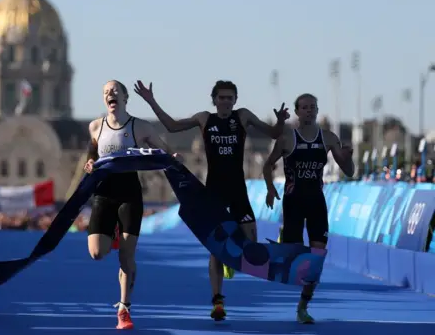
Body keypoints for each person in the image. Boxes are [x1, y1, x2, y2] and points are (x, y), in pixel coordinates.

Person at [134, 79, 289, 321]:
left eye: (230, 97)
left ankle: (235, 259)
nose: (226, 101)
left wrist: (280, 120)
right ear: (214, 100)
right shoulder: (205, 119)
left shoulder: (243, 116)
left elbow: (273, 134)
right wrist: (151, 100)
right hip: (214, 192)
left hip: (238, 191)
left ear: (235, 100)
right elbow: (172, 126)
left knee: (251, 247)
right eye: (221, 97)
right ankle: (218, 301)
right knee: (216, 250)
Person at [84, 80, 181, 330]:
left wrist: (173, 157)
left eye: (115, 91)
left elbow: (164, 150)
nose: (110, 94)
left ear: (125, 98)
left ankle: (124, 309)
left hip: (129, 194)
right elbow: (92, 156)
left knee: (127, 257)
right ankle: (114, 231)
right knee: (96, 253)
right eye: (106, 92)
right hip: (104, 193)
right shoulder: (96, 126)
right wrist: (89, 164)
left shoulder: (140, 126)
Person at [263, 93, 354, 324]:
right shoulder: (286, 138)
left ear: (316, 110)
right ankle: (286, 237)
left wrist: (348, 157)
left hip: (316, 202)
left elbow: (350, 171)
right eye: (304, 107)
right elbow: (268, 165)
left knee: (317, 256)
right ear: (297, 112)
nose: (309, 111)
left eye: (313, 107)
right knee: (292, 258)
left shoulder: (329, 138)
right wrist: (270, 188)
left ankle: (303, 306)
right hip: (293, 202)